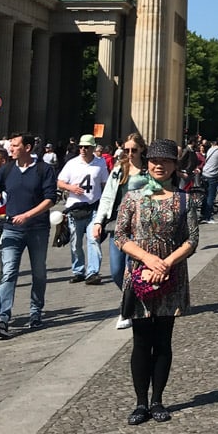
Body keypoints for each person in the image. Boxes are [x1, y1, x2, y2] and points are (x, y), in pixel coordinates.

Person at [114, 138, 198, 424]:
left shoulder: (185, 199)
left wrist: (166, 264)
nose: (159, 165)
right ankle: (140, 403)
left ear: (175, 165)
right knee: (140, 341)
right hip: (140, 273)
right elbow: (120, 236)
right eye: (154, 160)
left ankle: (158, 399)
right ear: (147, 164)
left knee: (163, 340)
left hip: (171, 276)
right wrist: (148, 260)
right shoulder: (133, 198)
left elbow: (192, 239)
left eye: (165, 161)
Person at [0, 133, 57, 337]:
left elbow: (50, 199)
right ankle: (2, 317)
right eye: (10, 145)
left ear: (27, 147)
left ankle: (36, 311)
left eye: (15, 145)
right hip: (11, 229)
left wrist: (27, 215)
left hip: (37, 229)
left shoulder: (44, 169)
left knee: (38, 271)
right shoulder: (7, 169)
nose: (10, 149)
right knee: (9, 272)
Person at [92, 132, 149, 328]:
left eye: (134, 149)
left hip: (140, 225)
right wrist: (98, 221)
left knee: (131, 270)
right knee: (116, 270)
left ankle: (127, 310)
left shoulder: (148, 171)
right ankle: (131, 299)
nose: (130, 153)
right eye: (127, 150)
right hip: (118, 223)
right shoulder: (119, 169)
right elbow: (107, 196)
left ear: (141, 149)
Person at [56, 134, 109, 285]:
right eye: (81, 147)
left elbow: (105, 184)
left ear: (93, 148)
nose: (83, 149)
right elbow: (60, 182)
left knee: (94, 240)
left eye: (86, 147)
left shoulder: (101, 163)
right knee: (75, 242)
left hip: (94, 208)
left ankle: (93, 272)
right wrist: (70, 187)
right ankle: (78, 270)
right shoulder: (72, 163)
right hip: (75, 208)